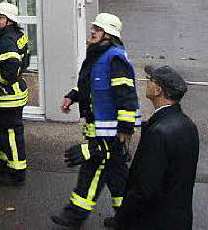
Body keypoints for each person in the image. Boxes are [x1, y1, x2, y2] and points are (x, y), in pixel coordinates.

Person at [51, 13, 141, 227]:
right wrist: (72, 96)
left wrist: (126, 127)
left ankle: (74, 216)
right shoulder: (97, 55)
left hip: (109, 132)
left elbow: (126, 95)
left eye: (98, 29)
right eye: (93, 27)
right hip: (99, 128)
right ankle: (127, 218)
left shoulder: (115, 58)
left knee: (93, 169)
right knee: (117, 175)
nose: (92, 31)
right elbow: (88, 85)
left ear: (109, 36)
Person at [112, 65, 199, 230]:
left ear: (158, 90)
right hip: (178, 219)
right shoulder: (188, 124)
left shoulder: (159, 133)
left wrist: (123, 218)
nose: (146, 82)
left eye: (150, 80)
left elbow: (144, 188)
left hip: (154, 221)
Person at [0, 2, 30, 186]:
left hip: (9, 95)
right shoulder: (18, 36)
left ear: (10, 21)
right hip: (14, 92)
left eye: (1, 18)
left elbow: (11, 67)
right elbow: (24, 61)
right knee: (5, 132)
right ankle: (5, 163)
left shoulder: (6, 40)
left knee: (11, 134)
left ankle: (16, 173)